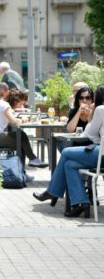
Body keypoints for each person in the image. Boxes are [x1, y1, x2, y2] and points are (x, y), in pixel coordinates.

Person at [33, 85, 104, 217]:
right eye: (82, 98)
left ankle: (52, 191)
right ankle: (82, 202)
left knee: (66, 152)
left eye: (89, 98)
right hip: (96, 153)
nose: (86, 100)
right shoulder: (80, 110)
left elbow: (89, 134)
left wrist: (91, 115)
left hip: (100, 155)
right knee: (69, 165)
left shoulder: (100, 109)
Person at [0, 89, 48, 172]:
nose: (21, 106)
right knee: (21, 137)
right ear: (16, 100)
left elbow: (10, 119)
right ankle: (31, 160)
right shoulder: (5, 106)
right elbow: (13, 121)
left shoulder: (2, 103)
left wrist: (19, 119)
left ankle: (23, 172)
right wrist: (23, 120)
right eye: (21, 103)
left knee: (21, 141)